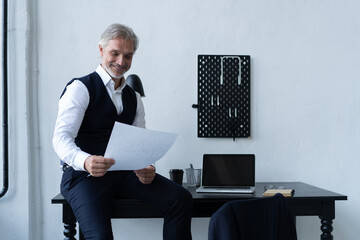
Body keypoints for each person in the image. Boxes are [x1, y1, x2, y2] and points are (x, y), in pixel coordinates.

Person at [53, 23, 193, 240]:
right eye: (114, 53)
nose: (121, 61)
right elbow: (61, 138)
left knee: (180, 199)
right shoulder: (80, 89)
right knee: (99, 236)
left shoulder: (134, 97)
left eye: (127, 56)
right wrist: (86, 161)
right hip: (83, 177)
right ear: (101, 50)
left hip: (124, 175)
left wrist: (147, 167)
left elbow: (140, 143)